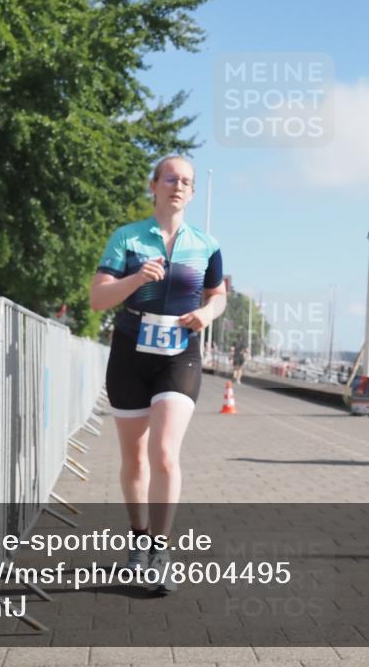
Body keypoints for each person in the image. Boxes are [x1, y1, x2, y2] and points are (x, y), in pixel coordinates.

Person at [90, 155, 226, 594]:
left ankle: (161, 551)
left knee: (165, 453)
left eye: (186, 180)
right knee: (134, 458)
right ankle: (137, 540)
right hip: (130, 353)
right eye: (171, 178)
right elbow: (96, 299)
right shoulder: (127, 238)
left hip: (179, 355)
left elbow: (218, 295)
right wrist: (134, 279)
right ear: (154, 185)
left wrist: (206, 313)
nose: (179, 186)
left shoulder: (206, 244)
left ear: (193, 191)